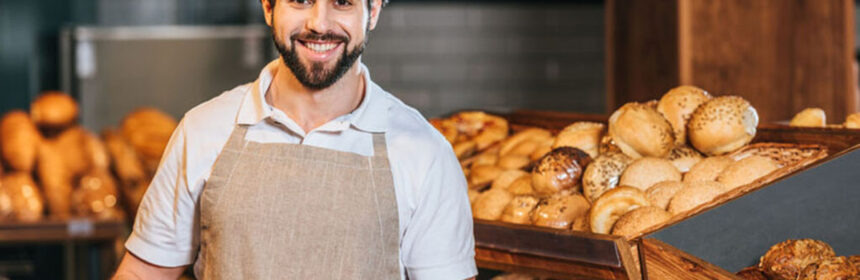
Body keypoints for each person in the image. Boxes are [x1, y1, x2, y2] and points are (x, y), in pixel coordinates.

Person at [112, 0, 477, 279]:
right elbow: (142, 273)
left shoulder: (426, 154)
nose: (320, 23)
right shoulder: (204, 129)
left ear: (375, 10)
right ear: (268, 7)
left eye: (344, 2)